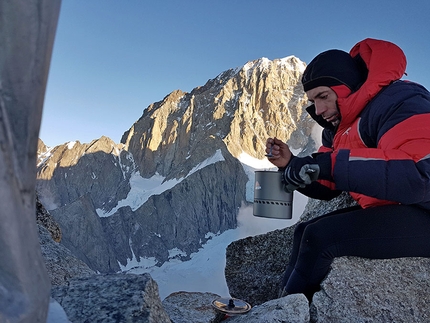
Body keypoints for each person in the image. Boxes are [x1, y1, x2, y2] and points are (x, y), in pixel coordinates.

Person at [266, 38, 430, 301]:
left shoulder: (401, 100)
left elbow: (418, 172)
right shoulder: (341, 127)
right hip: (405, 207)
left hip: (424, 208)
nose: (318, 110)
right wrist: (292, 164)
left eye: (323, 96)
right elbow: (330, 183)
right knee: (304, 231)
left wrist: (329, 165)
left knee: (321, 237)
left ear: (346, 88)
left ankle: (288, 315)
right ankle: (281, 307)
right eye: (312, 100)